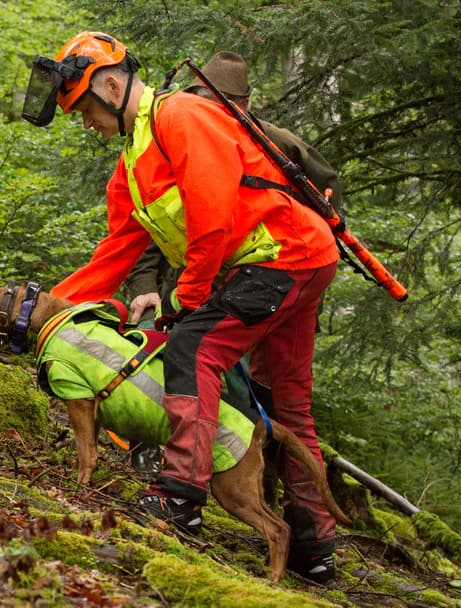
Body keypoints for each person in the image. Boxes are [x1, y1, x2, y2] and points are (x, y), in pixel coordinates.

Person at [21, 32, 341, 584]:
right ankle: (315, 548)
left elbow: (213, 215)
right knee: (284, 402)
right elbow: (113, 256)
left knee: (191, 347)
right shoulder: (129, 168)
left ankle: (179, 498)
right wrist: (41, 312)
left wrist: (184, 299)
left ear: (113, 85)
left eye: (85, 110)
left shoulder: (182, 116)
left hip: (285, 254)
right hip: (292, 261)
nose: (85, 123)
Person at [126, 51, 343, 331]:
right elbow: (154, 223)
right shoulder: (170, 137)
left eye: (217, 106)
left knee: (273, 369)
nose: (207, 113)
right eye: (200, 102)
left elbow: (325, 202)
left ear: (243, 104)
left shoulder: (276, 143)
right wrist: (145, 286)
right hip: (193, 287)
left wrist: (303, 282)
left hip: (271, 278)